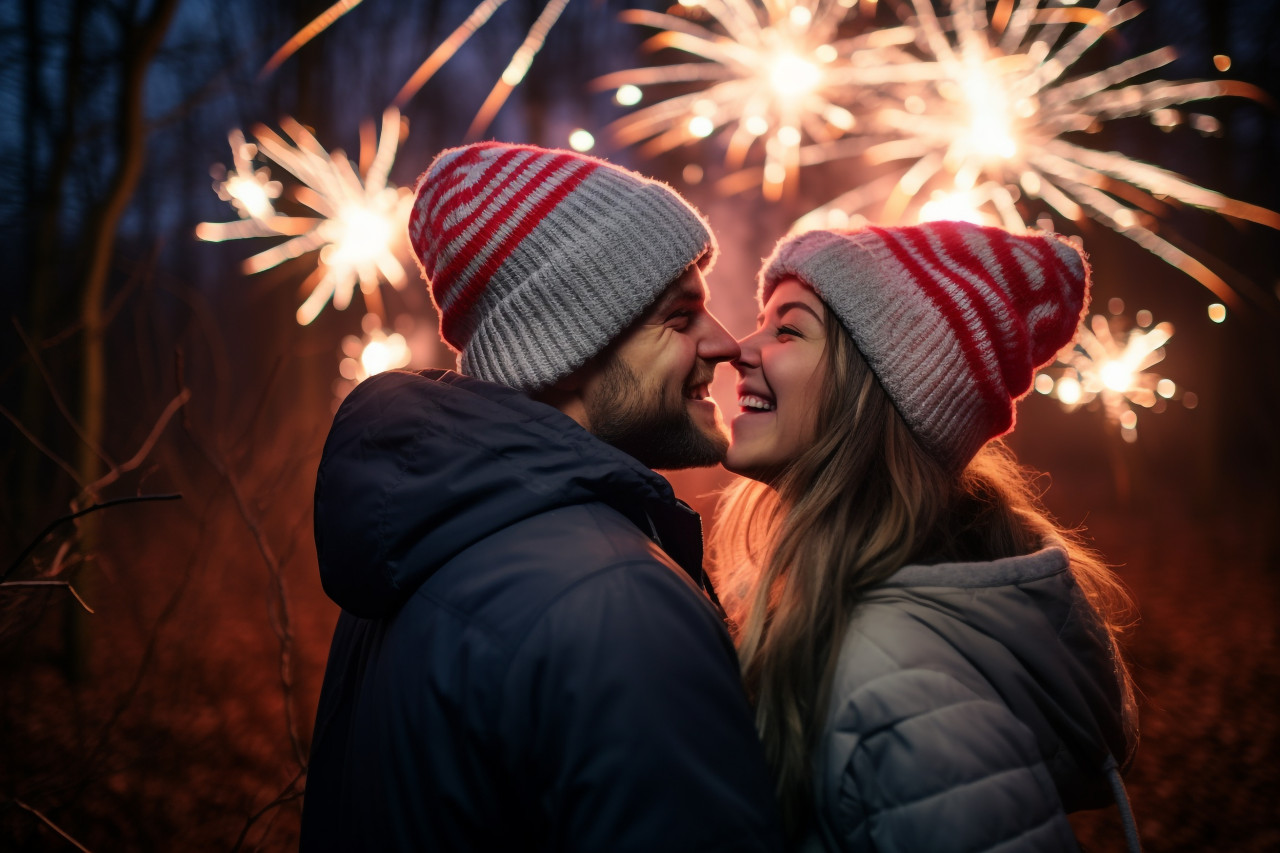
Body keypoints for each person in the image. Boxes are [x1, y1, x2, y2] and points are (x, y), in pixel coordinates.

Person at [300, 142, 783, 852]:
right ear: (567, 348)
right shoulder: (615, 599)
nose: (726, 343)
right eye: (680, 319)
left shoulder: (418, 552)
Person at [711, 222, 1140, 852]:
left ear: (873, 393)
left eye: (788, 329)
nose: (738, 349)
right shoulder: (810, 609)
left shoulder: (901, 685)